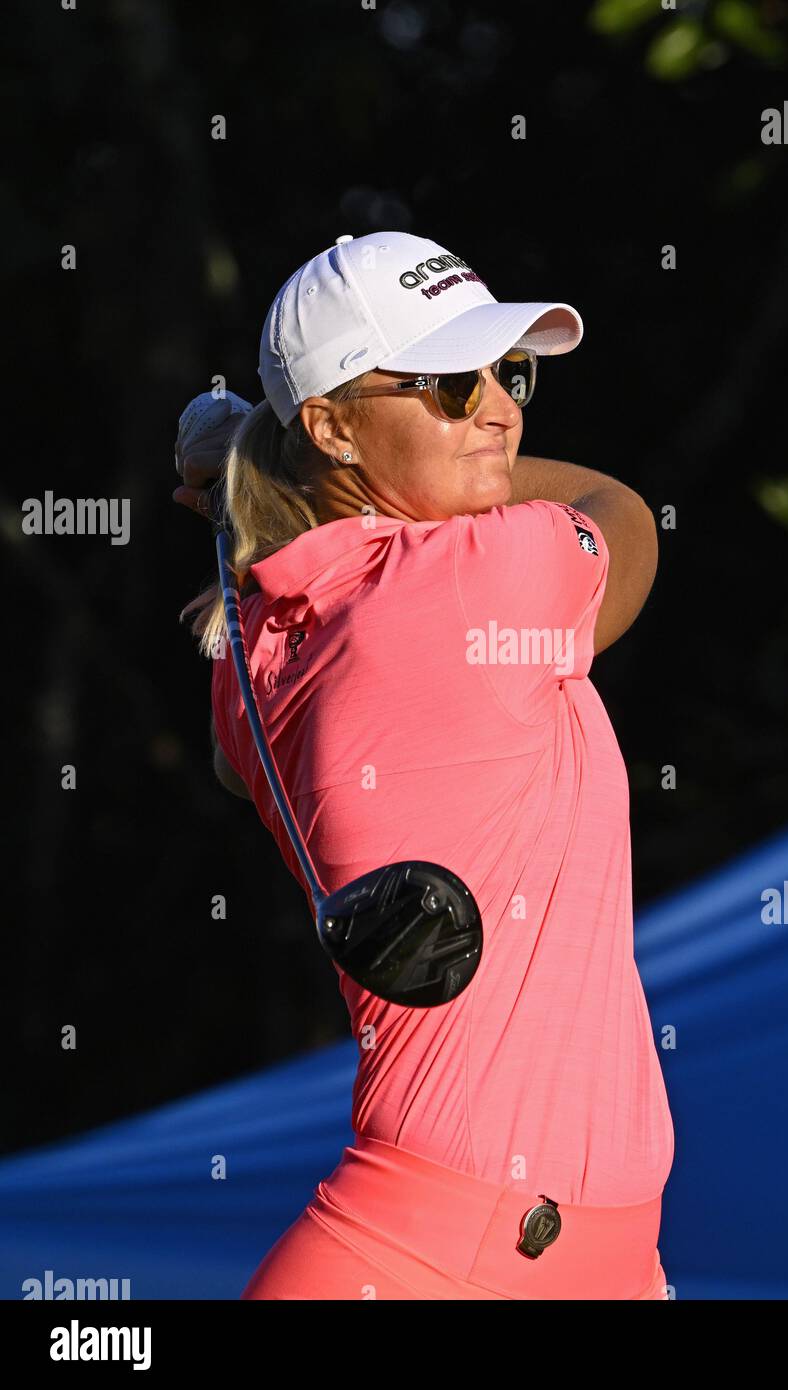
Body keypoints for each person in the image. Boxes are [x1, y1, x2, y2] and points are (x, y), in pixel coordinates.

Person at [176, 231, 674, 1300]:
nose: (499, 408)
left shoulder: (257, 643)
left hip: (579, 1261)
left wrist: (272, 473)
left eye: (508, 372)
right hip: (436, 1260)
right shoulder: (478, 573)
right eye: (451, 385)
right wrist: (258, 470)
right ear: (332, 424)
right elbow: (623, 513)